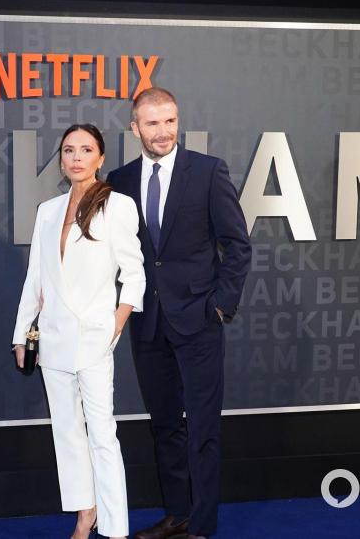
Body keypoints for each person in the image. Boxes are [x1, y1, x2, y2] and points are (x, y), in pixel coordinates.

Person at [107, 88, 252, 539]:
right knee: (165, 425)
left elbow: (238, 245)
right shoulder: (120, 179)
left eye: (170, 121)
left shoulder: (207, 172)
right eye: (152, 123)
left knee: (203, 428)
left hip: (199, 321)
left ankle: (202, 526)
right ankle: (177, 515)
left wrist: (220, 306)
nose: (164, 131)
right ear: (135, 128)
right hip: (147, 323)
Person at [13, 124, 145, 539]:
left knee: (103, 434)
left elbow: (135, 272)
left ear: (100, 158)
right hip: (52, 338)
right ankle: (84, 514)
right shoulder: (48, 211)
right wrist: (21, 334)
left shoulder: (118, 205)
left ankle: (116, 528)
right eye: (69, 150)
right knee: (67, 433)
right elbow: (36, 277)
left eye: (86, 149)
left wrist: (116, 322)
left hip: (94, 337)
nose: (76, 157)